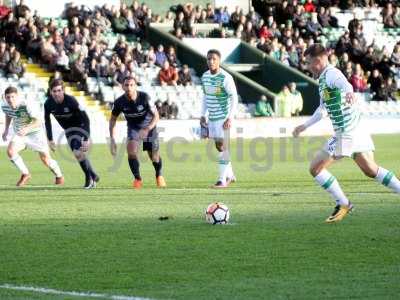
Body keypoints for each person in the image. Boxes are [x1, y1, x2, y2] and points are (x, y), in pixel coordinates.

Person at [292, 44, 400, 223]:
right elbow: (322, 109)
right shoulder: (323, 80)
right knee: (371, 170)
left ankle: (343, 203)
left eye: (309, 62)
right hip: (355, 129)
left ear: (318, 60)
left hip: (347, 133)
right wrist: (304, 126)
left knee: (316, 168)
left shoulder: (332, 74)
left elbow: (346, 84)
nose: (308, 66)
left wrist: (349, 93)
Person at [109, 76, 166, 189]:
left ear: (135, 86)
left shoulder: (144, 98)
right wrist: (112, 139)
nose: (129, 87)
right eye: (126, 85)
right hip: (133, 128)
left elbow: (156, 116)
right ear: (122, 87)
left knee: (154, 156)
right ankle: (137, 179)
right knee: (131, 152)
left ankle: (159, 175)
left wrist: (148, 128)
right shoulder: (119, 102)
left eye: (131, 85)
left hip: (149, 127)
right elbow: (112, 120)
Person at [1, 86, 64, 187]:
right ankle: (25, 174)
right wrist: (6, 129)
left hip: (35, 134)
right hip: (20, 133)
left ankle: (59, 176)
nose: (10, 100)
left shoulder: (26, 104)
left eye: (12, 97)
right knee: (10, 151)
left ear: (17, 96)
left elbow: (38, 121)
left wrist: (27, 129)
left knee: (46, 160)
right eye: (8, 97)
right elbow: (8, 114)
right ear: (5, 97)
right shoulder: (4, 105)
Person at [44, 79, 99, 189]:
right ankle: (93, 174)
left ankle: (90, 178)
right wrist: (50, 139)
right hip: (68, 130)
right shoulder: (48, 104)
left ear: (63, 90)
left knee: (77, 152)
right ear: (51, 92)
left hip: (80, 127)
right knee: (78, 154)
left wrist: (87, 137)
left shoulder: (71, 101)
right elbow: (47, 121)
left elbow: (86, 118)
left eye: (59, 90)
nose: (56, 93)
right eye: (54, 91)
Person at [200, 49, 238, 188]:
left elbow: (234, 97)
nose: (211, 61)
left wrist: (230, 117)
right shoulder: (205, 76)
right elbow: (205, 96)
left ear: (219, 61)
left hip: (223, 117)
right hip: (212, 118)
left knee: (224, 146)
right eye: (209, 59)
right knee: (219, 147)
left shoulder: (226, 77)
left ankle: (222, 180)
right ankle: (231, 174)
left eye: (214, 59)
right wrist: (203, 114)